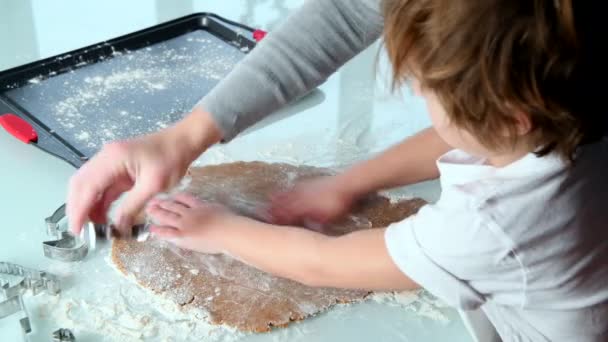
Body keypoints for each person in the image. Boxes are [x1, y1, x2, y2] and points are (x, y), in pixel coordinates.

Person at [68, 0, 608, 341]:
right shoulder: (563, 126)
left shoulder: (490, 226)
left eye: (426, 86)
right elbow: (467, 134)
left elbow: (325, 263)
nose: (417, 91)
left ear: (512, 116)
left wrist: (219, 230)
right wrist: (349, 183)